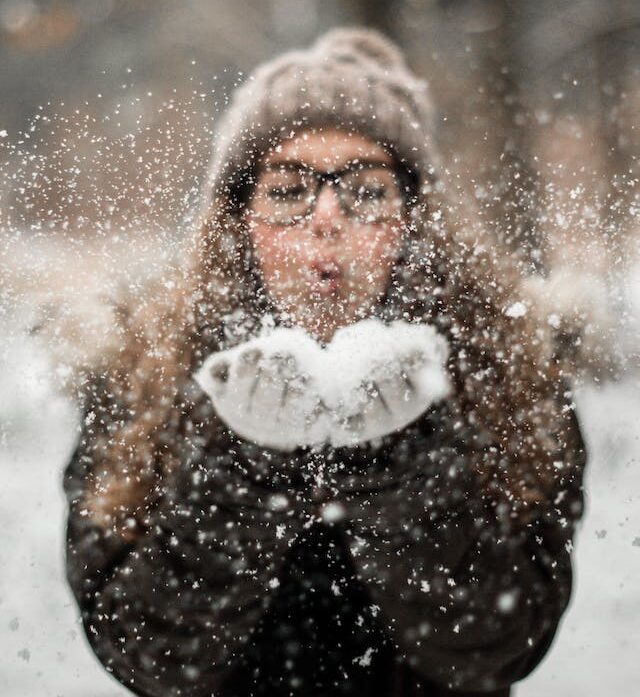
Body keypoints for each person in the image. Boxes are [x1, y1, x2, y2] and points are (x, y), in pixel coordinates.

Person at [64, 28, 586, 697]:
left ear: (414, 218)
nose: (326, 217)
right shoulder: (144, 372)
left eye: (365, 190)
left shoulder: (509, 370)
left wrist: (399, 462)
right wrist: (245, 469)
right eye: (288, 191)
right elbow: (147, 653)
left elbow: (499, 643)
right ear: (237, 217)